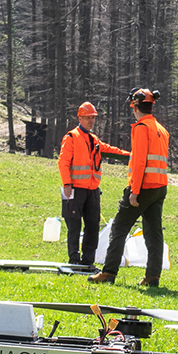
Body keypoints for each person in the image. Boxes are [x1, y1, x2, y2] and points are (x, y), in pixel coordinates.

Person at [89, 88, 169, 287]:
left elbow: (140, 161)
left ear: (135, 106)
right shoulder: (161, 129)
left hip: (144, 187)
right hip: (160, 186)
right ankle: (152, 276)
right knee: (154, 233)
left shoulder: (142, 128)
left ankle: (108, 272)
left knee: (119, 228)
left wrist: (134, 191)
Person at [58, 101, 129, 269]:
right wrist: (67, 183)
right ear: (80, 118)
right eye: (87, 118)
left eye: (93, 118)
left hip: (92, 190)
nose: (91, 121)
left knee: (92, 225)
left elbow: (111, 150)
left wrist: (132, 155)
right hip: (75, 189)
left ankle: (88, 261)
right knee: (74, 226)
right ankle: (74, 259)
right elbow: (63, 162)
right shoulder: (71, 137)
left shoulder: (94, 139)